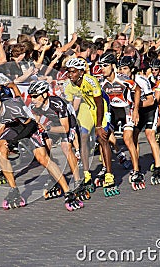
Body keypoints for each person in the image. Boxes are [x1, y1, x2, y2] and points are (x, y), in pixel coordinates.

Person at [0, 86, 83, 211]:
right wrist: (4, 143)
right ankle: (14, 190)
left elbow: (30, 125)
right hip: (14, 127)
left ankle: (68, 192)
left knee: (42, 158)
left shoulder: (13, 107)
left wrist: (15, 141)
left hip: (30, 127)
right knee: (1, 150)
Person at [28, 80, 90, 201]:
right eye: (31, 97)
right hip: (55, 123)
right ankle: (54, 176)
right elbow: (36, 123)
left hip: (68, 123)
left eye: (35, 96)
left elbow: (65, 128)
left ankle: (78, 181)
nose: (33, 99)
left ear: (45, 95)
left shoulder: (57, 103)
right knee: (45, 145)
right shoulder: (35, 106)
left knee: (65, 147)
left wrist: (47, 127)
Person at [65, 57, 114, 196]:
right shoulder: (69, 85)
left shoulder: (91, 81)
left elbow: (99, 104)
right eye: (68, 71)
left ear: (81, 72)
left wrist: (98, 126)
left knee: (102, 138)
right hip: (87, 107)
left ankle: (109, 174)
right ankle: (86, 174)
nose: (69, 75)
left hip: (101, 107)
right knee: (83, 136)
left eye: (72, 72)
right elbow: (69, 107)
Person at [117, 56, 160, 187]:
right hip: (135, 110)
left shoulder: (141, 80)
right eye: (120, 68)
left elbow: (151, 100)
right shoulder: (121, 80)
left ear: (132, 69)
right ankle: (136, 166)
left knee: (150, 135)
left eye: (125, 68)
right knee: (134, 137)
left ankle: (158, 166)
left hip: (148, 110)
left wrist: (136, 106)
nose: (122, 71)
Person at [99, 52, 141, 195]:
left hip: (126, 110)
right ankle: (109, 163)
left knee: (127, 138)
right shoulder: (101, 82)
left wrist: (136, 110)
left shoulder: (124, 79)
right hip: (112, 112)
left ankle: (136, 170)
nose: (102, 69)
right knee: (104, 138)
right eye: (100, 66)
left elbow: (137, 90)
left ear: (112, 66)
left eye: (105, 66)